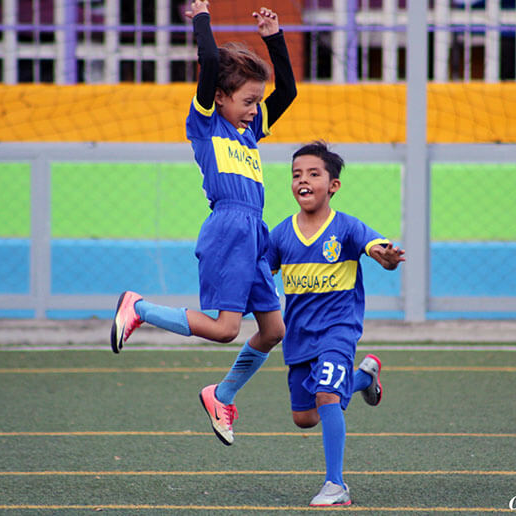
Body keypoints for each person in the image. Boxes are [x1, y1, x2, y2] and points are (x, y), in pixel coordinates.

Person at [109, 0, 296, 448]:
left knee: (273, 330)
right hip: (229, 228)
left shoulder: (249, 129)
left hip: (254, 230)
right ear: (218, 96)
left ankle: (222, 394)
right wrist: (201, 20)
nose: (255, 108)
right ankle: (139, 309)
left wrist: (274, 38)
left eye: (256, 101)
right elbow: (211, 60)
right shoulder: (206, 122)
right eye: (248, 100)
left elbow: (286, 91)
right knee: (226, 329)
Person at [265, 141, 405, 506]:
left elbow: (378, 249)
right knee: (304, 417)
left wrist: (386, 256)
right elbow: (261, 274)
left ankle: (336, 485)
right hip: (298, 337)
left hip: (338, 330)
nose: (303, 181)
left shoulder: (346, 228)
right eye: (296, 175)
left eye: (313, 173)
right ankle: (364, 378)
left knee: (327, 395)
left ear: (333, 186)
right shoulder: (280, 235)